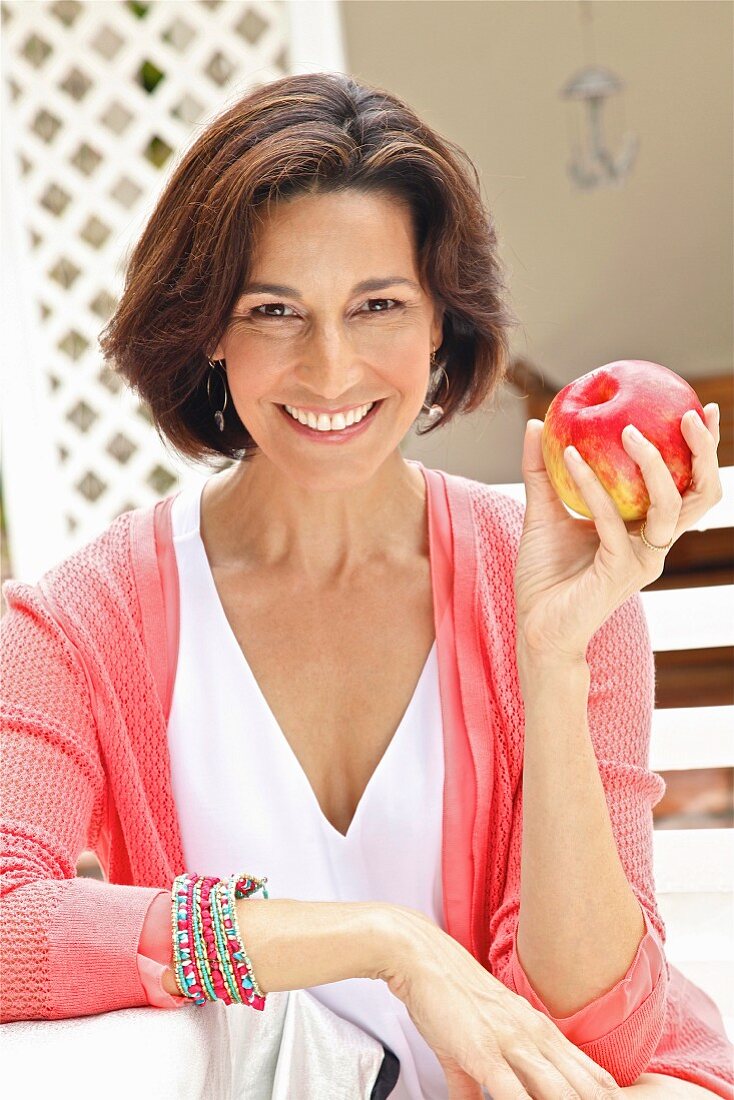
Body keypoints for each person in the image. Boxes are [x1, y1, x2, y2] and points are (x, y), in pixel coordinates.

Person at [1, 70, 732, 1100]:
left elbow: (593, 1040)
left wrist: (552, 657)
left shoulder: (542, 579)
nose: (333, 369)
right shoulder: (79, 621)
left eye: (377, 304)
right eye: (274, 311)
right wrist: (385, 942)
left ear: (440, 323)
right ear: (209, 327)